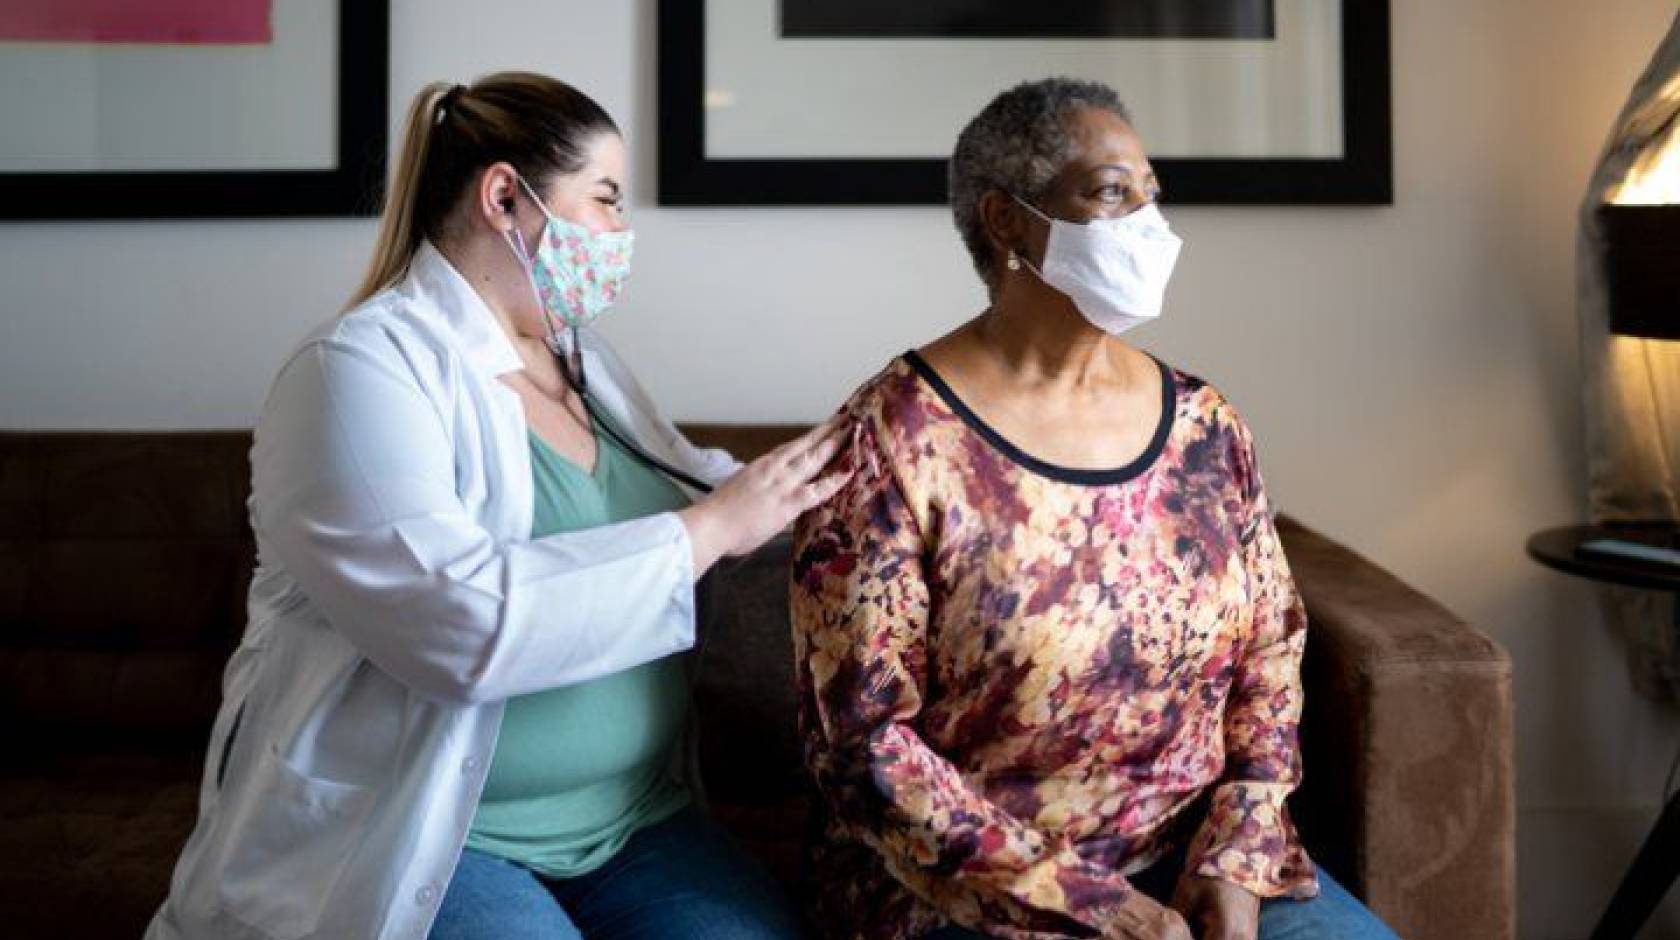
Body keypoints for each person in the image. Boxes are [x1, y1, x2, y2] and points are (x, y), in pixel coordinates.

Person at [146, 72, 843, 940]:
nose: (622, 234)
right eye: (606, 200)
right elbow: (458, 623)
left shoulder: (582, 362)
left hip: (633, 826)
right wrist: (707, 533)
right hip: (435, 835)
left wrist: (876, 455)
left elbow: (702, 481)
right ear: (506, 197)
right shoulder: (357, 373)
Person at [790, 77, 1400, 940]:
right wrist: (1096, 909)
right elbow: (861, 750)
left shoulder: (1203, 424)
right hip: (968, 894)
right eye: (1113, 193)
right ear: (1007, 222)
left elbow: (1271, 650)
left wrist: (1234, 860)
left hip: (1197, 861)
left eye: (1153, 196)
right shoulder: (892, 441)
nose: (1150, 226)